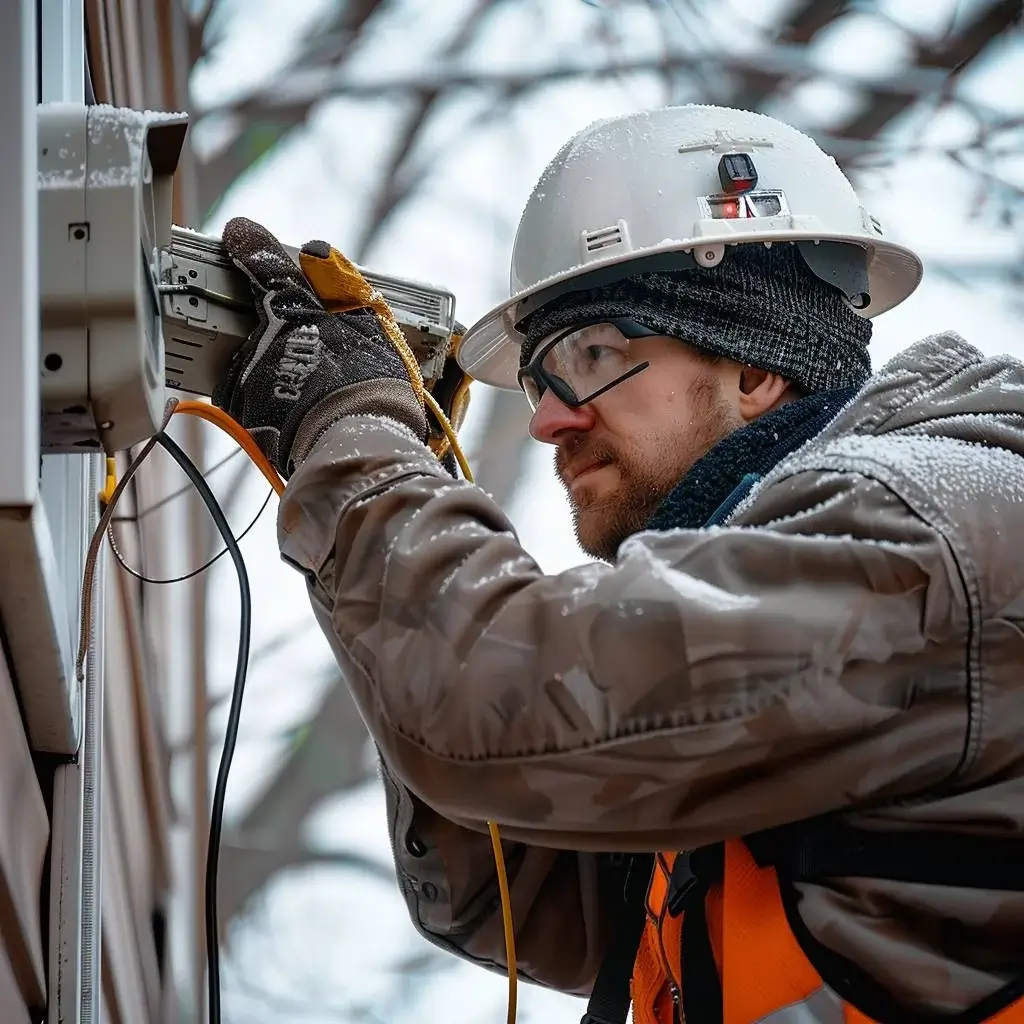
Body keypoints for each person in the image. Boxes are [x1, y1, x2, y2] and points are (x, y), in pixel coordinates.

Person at [212, 104, 1024, 1024]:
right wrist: (397, 483)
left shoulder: (921, 534)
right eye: (537, 380)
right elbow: (522, 900)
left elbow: (485, 706)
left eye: (591, 356)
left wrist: (352, 438)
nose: (547, 418)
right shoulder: (808, 605)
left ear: (757, 364)